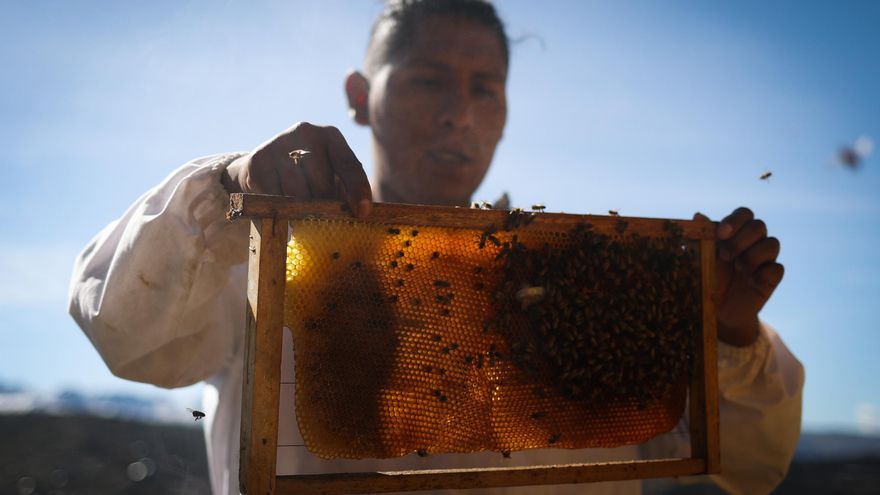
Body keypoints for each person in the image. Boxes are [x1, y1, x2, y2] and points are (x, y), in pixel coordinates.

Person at [68, 1, 804, 494]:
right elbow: (123, 331)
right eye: (428, 80)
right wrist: (226, 191)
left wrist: (730, 335)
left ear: (508, 110)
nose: (459, 113)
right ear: (360, 95)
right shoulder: (273, 253)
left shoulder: (592, 286)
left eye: (485, 87)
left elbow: (756, 464)